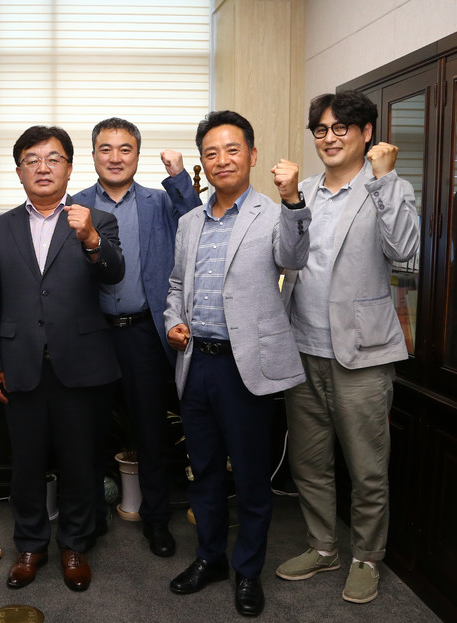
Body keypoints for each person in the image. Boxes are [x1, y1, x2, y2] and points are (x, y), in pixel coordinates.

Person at [163, 110, 311, 617]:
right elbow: (176, 286)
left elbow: (293, 258)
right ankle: (210, 559)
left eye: (232, 149)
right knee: (203, 472)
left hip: (246, 367)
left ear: (251, 155)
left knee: (249, 477)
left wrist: (293, 201)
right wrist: (173, 321)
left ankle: (248, 570)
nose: (222, 159)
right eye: (211, 152)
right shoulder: (189, 222)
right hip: (195, 364)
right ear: (202, 163)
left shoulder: (272, 213)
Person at [275, 90, 419, 604]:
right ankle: (322, 546)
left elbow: (405, 250)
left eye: (341, 128)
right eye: (321, 129)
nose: (329, 138)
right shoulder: (303, 192)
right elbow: (286, 258)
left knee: (367, 468)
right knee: (309, 463)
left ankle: (366, 557)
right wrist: (290, 202)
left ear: (366, 133)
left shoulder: (387, 186)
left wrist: (384, 179)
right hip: (303, 349)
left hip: (363, 353)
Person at [0, 125, 124, 592]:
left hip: (80, 362)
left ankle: (75, 545)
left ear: (69, 167)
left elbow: (114, 274)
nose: (43, 168)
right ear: (19, 170)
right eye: (32, 160)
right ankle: (30, 546)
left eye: (53, 159)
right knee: (26, 464)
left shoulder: (96, 219)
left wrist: (91, 238)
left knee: (80, 462)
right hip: (21, 362)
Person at [72, 117, 200, 557]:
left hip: (143, 333)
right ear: (93, 155)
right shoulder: (75, 204)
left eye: (124, 149)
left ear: (137, 156)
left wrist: (178, 175)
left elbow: (197, 221)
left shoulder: (158, 202)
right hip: (91, 334)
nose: (115, 157)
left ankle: (157, 520)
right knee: (88, 432)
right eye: (105, 149)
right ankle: (91, 518)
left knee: (150, 431)